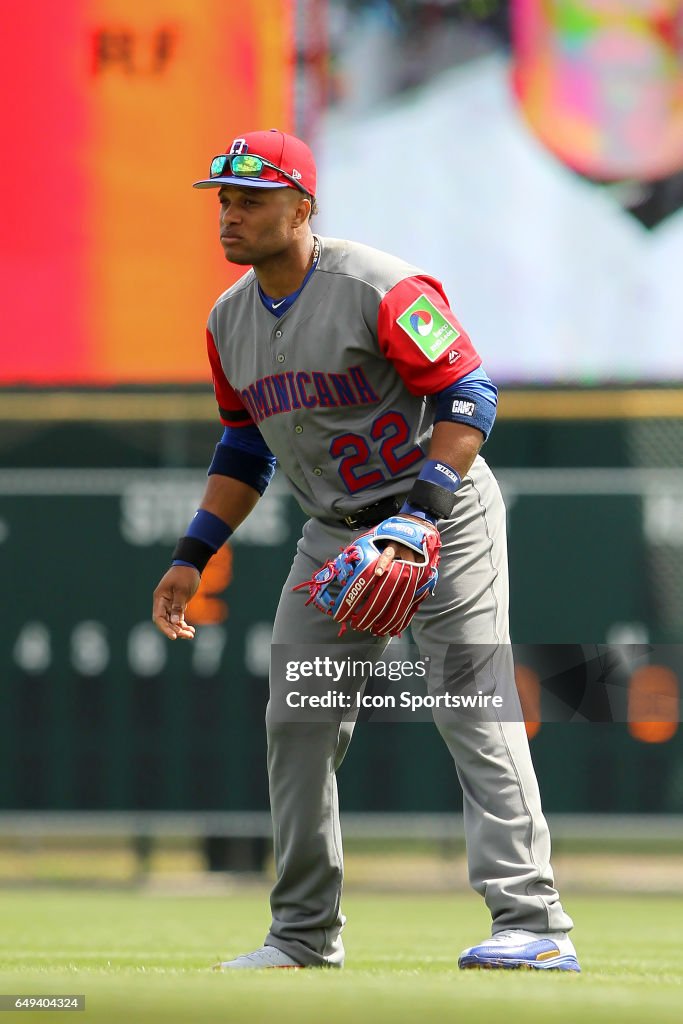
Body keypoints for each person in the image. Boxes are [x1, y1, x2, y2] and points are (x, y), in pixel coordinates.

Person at [151, 128, 580, 972]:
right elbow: (245, 447)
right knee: (297, 719)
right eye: (224, 199)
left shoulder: (378, 285)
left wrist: (421, 513)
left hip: (438, 520)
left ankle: (533, 924)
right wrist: (192, 553)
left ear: (302, 208)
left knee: (471, 703)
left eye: (253, 199)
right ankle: (304, 935)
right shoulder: (228, 319)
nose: (230, 215)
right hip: (334, 536)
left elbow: (469, 392)